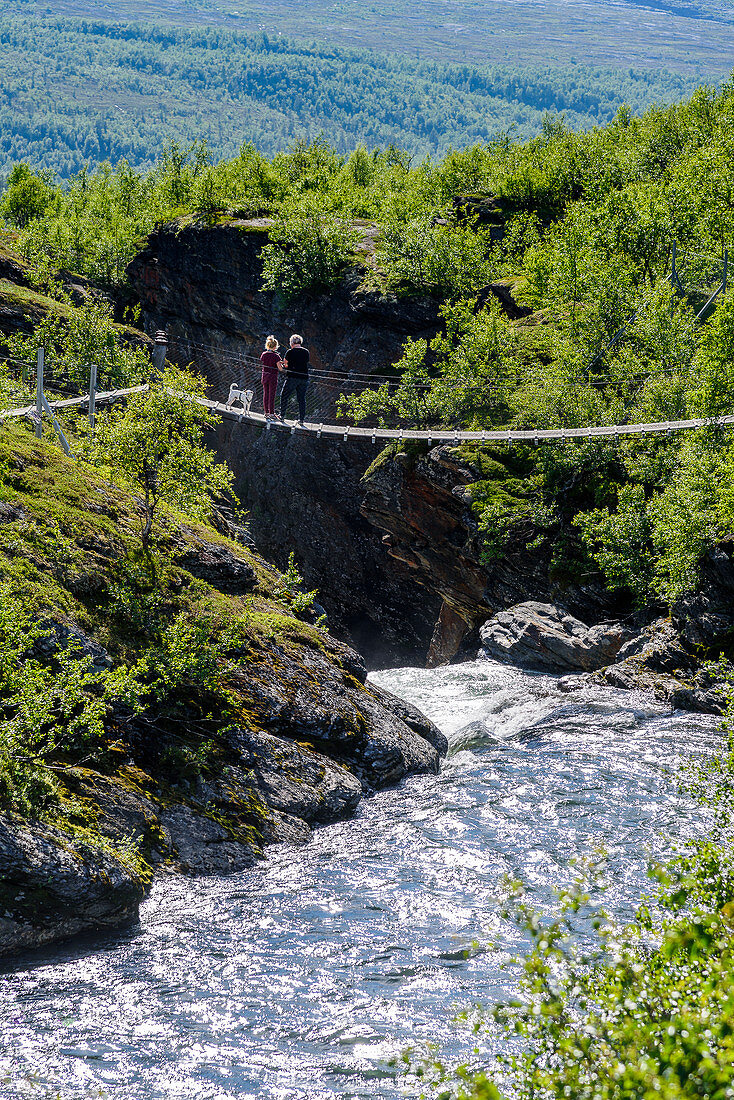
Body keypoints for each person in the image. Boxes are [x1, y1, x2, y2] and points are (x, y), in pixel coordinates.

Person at [279, 333, 310, 425]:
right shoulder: (306, 352)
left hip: (292, 377)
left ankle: (282, 415)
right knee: (301, 399)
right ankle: (301, 419)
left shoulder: (290, 352)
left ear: (292, 343)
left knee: (284, 395)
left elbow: (285, 364)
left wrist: (286, 365)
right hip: (304, 377)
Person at [260, 335, 282, 420]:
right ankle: (272, 413)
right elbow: (280, 368)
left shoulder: (264, 354)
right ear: (275, 346)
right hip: (272, 376)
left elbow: (263, 361)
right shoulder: (276, 356)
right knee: (271, 395)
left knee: (265, 394)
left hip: (264, 375)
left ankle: (266, 413)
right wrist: (282, 365)